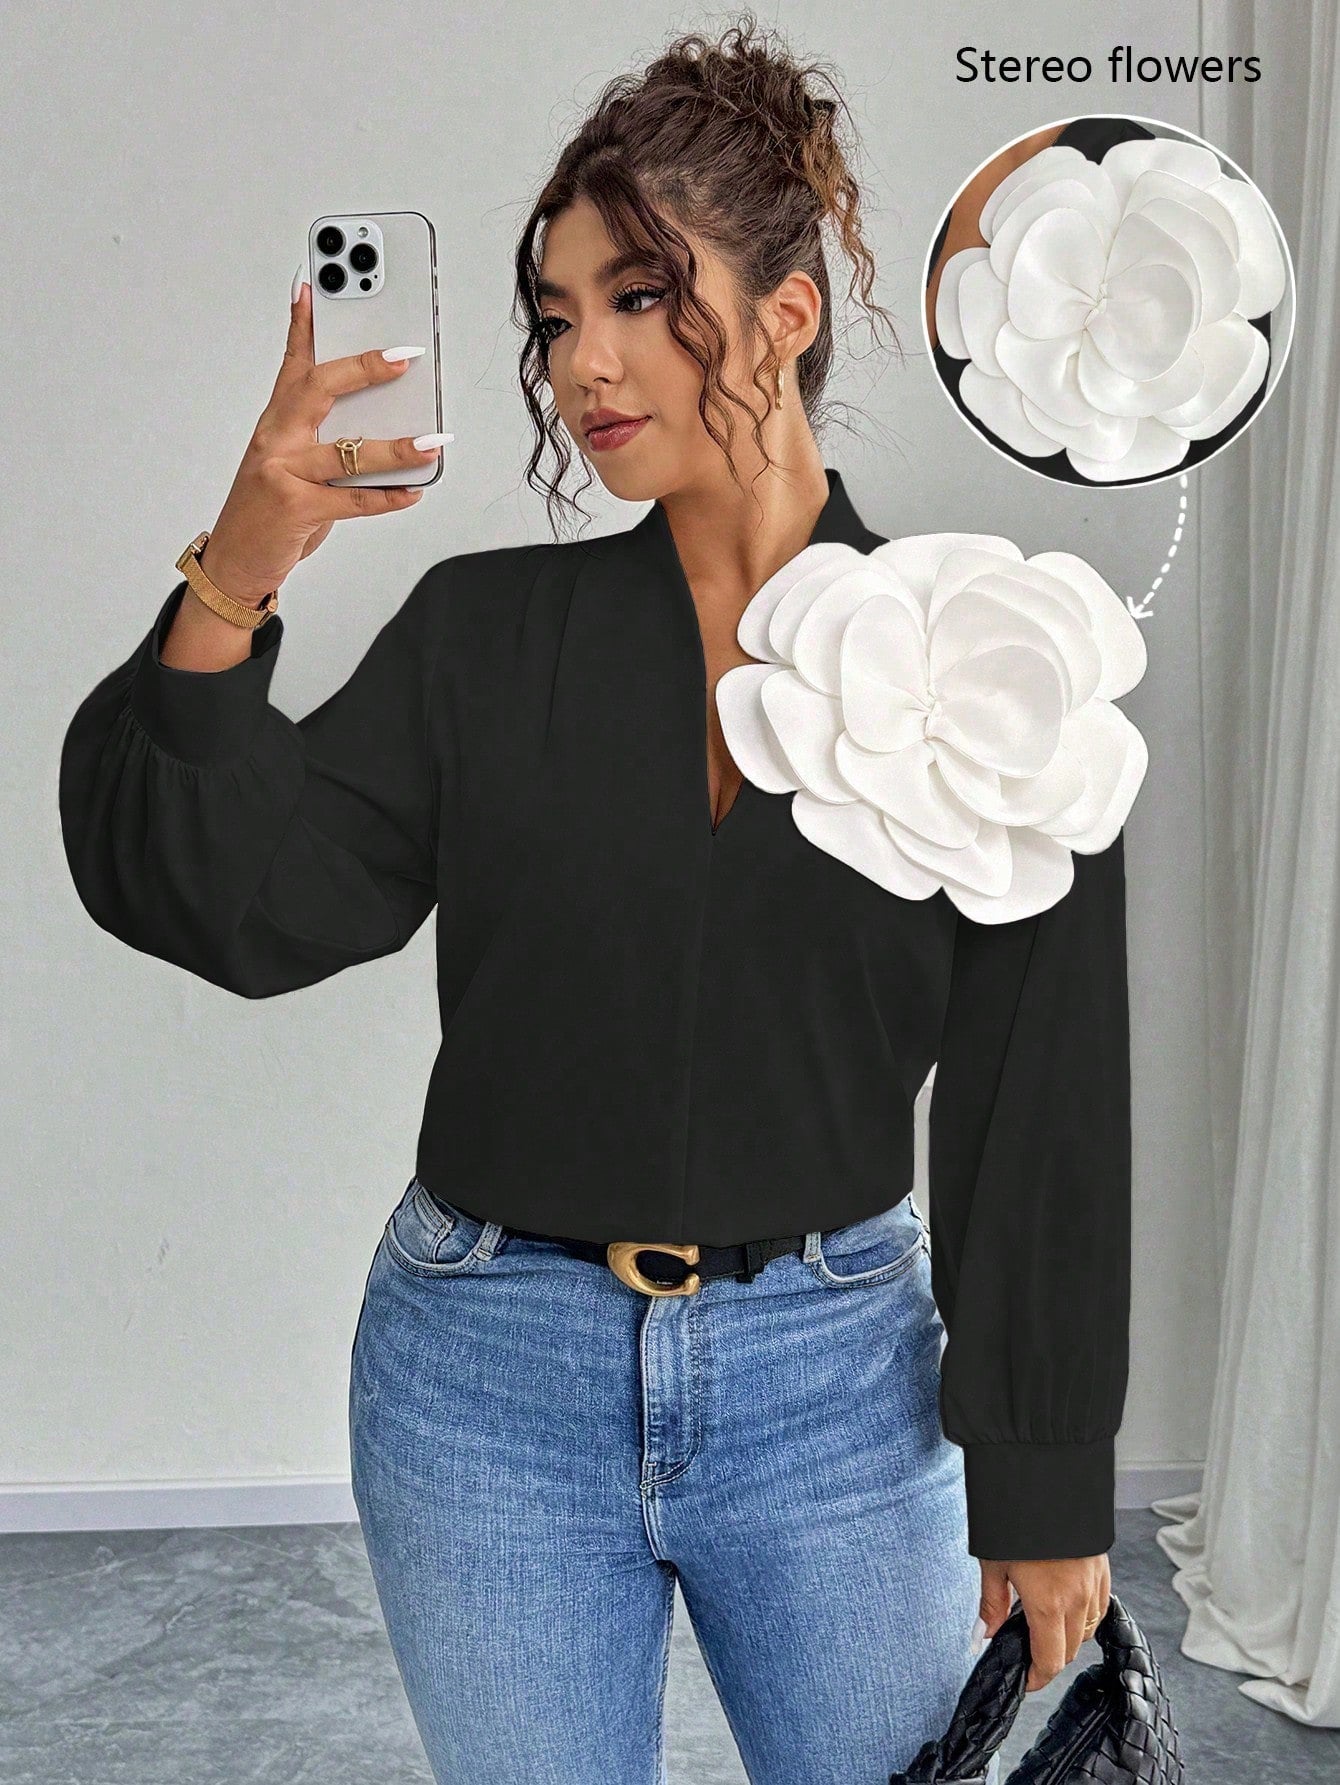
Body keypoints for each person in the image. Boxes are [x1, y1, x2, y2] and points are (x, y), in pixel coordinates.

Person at [58, 17, 1131, 1784]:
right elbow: (237, 900)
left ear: (785, 313)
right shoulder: (485, 639)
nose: (584, 362)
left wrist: (1044, 1474)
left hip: (838, 1388)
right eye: (556, 317)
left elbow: (1044, 1099)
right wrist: (244, 559)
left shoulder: (990, 656)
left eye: (640, 296)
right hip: (483, 1376)